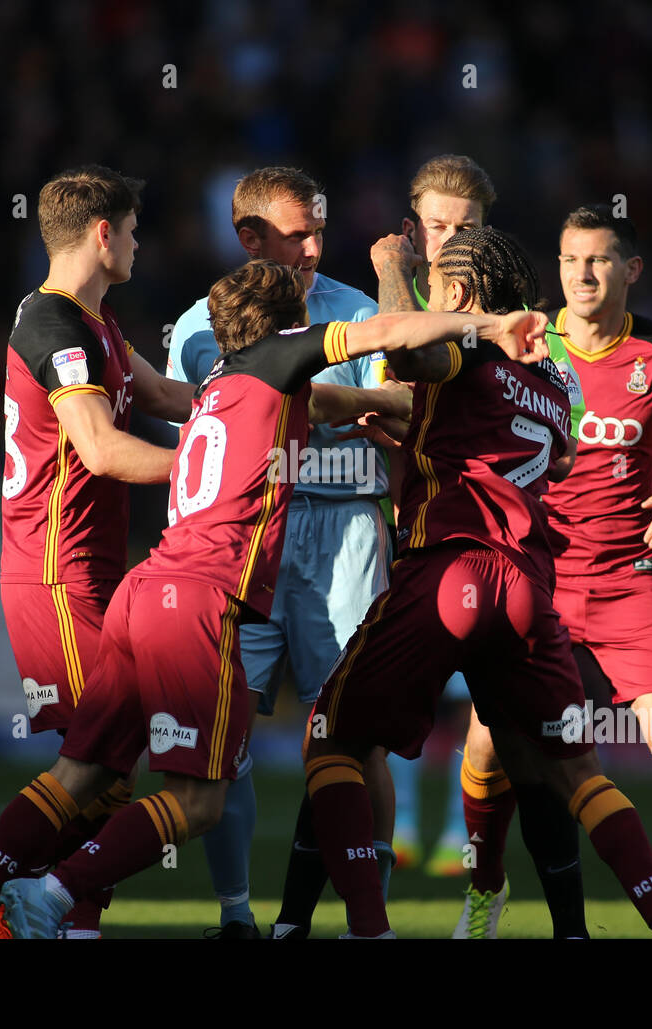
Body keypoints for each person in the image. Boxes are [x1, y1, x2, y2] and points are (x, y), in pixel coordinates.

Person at [0, 258, 551, 939]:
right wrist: (488, 323)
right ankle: (51, 894)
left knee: (79, 770)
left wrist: (398, 409)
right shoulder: (281, 357)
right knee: (197, 800)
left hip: (146, 585)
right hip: (201, 598)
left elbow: (335, 403)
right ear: (293, 324)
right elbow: (390, 328)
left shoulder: (221, 382)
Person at [304, 227, 652, 940]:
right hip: (528, 589)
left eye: (440, 285)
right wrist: (416, 444)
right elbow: (553, 459)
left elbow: (403, 352)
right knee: (574, 772)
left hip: (450, 568)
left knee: (330, 740)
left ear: (458, 294)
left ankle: (365, 927)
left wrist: (394, 272)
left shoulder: (469, 344)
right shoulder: (553, 379)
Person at [460, 204, 652, 938]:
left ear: (631, 270)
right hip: (533, 576)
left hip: (630, 583)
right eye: (570, 260)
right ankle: (484, 890)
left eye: (599, 260)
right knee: (484, 746)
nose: (582, 274)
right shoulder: (526, 342)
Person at [0, 164, 196, 940]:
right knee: (101, 767)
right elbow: (103, 449)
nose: (140, 243)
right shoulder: (51, 324)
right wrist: (222, 464)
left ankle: (12, 918)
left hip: (86, 572)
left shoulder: (98, 325)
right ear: (102, 233)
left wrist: (266, 406)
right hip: (56, 571)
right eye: (134, 228)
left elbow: (159, 397)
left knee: (106, 767)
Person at [346, 155, 590, 940]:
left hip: (474, 552)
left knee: (469, 742)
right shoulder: (380, 308)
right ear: (417, 227)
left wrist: (326, 395)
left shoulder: (517, 332)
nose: (451, 238)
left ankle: (470, 879)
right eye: (439, 224)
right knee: (393, 740)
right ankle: (444, 884)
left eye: (467, 227)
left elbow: (402, 371)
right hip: (414, 540)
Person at [167, 167, 398, 938]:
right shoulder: (198, 327)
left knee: (352, 735)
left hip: (348, 530)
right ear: (248, 237)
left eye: (319, 230)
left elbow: (406, 405)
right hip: (249, 539)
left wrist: (336, 405)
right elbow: (192, 440)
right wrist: (338, 402)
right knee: (222, 735)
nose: (314, 247)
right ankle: (238, 914)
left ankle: (375, 912)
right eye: (297, 232)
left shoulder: (356, 309)